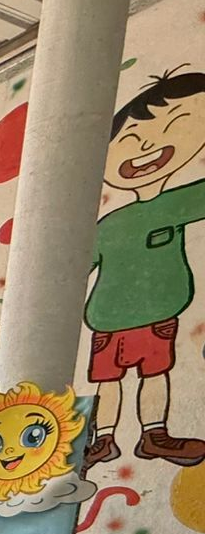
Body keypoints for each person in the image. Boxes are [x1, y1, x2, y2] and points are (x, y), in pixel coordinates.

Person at [82, 71, 205, 470]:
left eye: (175, 126)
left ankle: (153, 434)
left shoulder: (177, 203)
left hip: (158, 314)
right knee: (107, 381)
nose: (148, 146)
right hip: (107, 319)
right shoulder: (108, 225)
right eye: (131, 140)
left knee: (156, 374)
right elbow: (75, 271)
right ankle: (104, 439)